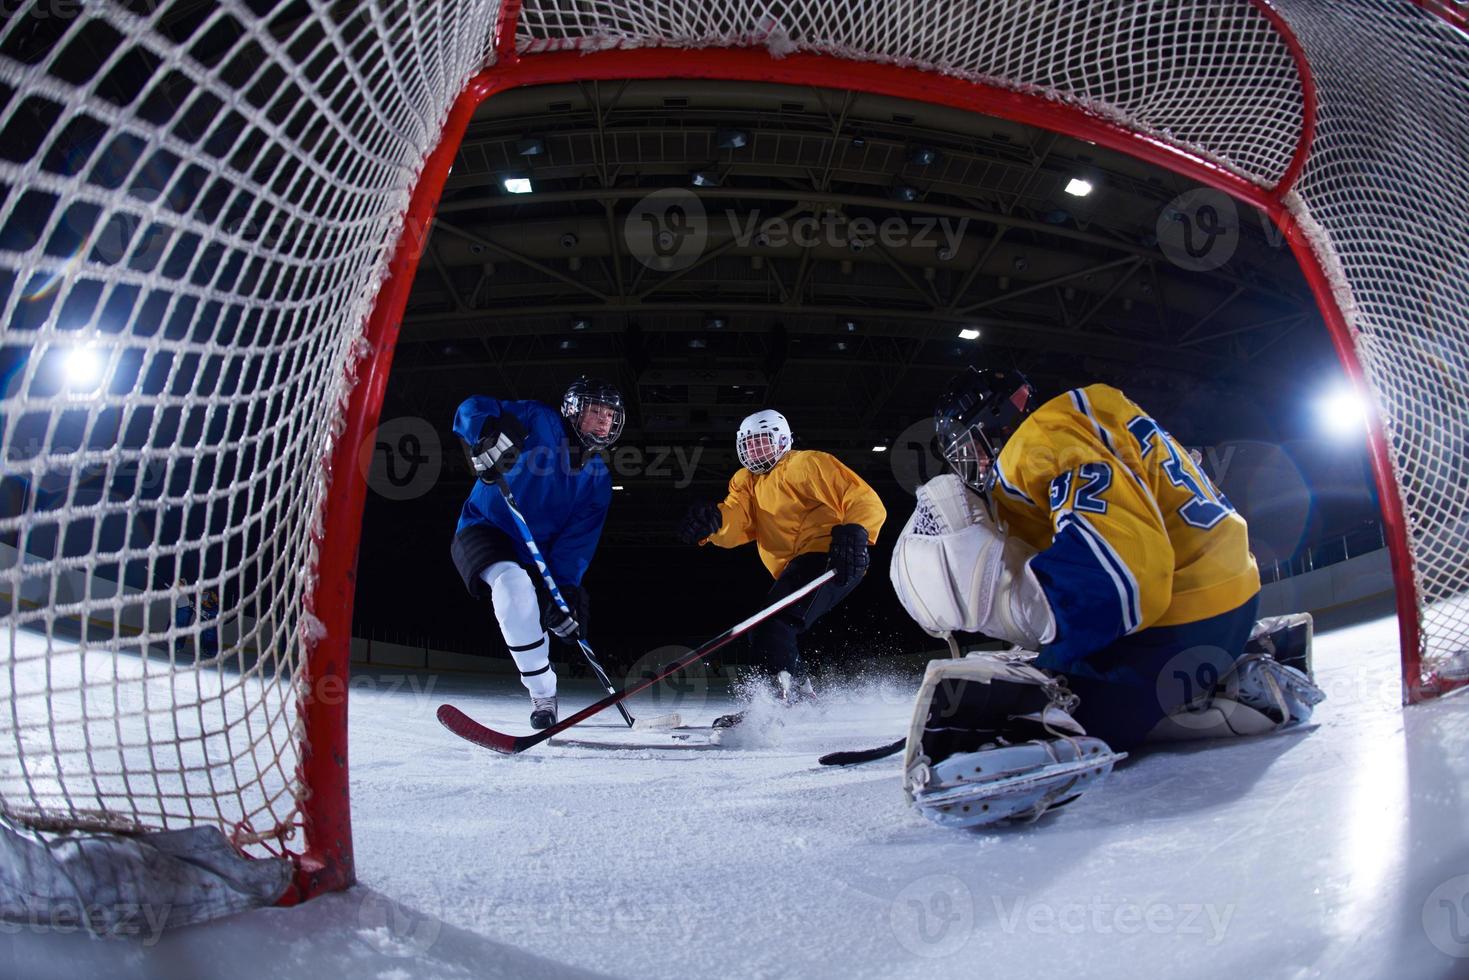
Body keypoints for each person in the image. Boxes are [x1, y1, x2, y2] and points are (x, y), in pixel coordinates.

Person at [889, 368, 1322, 827]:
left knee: (1000, 712)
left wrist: (1014, 607)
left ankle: (1057, 737)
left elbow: (1123, 579)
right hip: (1227, 601)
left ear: (995, 420)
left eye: (968, 446)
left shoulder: (1038, 445)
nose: (971, 464)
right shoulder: (1089, 416)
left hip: (1178, 628)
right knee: (1046, 662)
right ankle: (1231, 677)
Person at [678, 409, 886, 727]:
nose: (755, 452)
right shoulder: (745, 482)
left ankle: (774, 709)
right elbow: (739, 522)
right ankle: (802, 701)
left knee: (772, 626)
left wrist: (856, 530)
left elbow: (861, 496)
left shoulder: (805, 464)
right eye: (748, 446)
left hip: (832, 556)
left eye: (762, 443)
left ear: (783, 441)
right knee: (770, 629)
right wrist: (715, 523)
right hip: (798, 565)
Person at [450, 376, 623, 729]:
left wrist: (564, 592)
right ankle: (543, 693)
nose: (605, 419)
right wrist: (486, 433)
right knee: (512, 586)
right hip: (484, 527)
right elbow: (472, 406)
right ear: (574, 410)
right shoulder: (539, 419)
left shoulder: (598, 479)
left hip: (535, 555)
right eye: (596, 410)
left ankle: (545, 690)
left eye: (610, 414)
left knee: (532, 599)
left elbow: (576, 544)